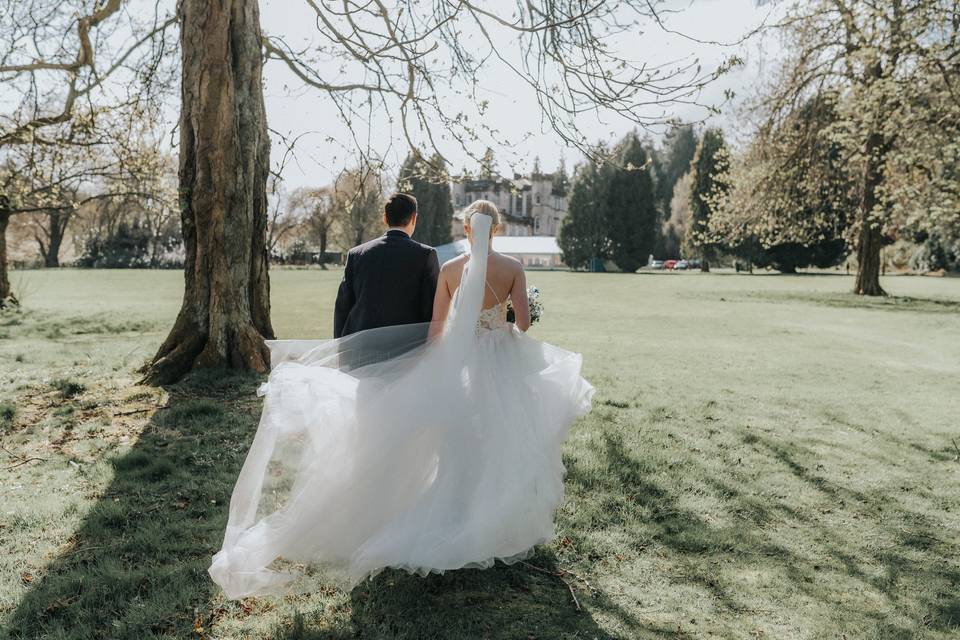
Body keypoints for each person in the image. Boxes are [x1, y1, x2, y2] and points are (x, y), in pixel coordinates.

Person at [209, 201, 594, 599]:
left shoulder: (447, 270)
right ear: (495, 229)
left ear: (466, 230)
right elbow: (525, 323)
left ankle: (449, 509)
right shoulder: (513, 267)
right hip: (500, 361)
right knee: (501, 434)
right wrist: (510, 313)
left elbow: (435, 330)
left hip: (458, 360)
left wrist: (430, 366)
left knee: (451, 437)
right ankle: (490, 516)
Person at [334, 192, 440, 339]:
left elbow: (342, 307)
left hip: (359, 348)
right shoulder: (426, 255)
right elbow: (432, 309)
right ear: (414, 218)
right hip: (406, 349)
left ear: (385, 218)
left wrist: (340, 345)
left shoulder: (356, 254)